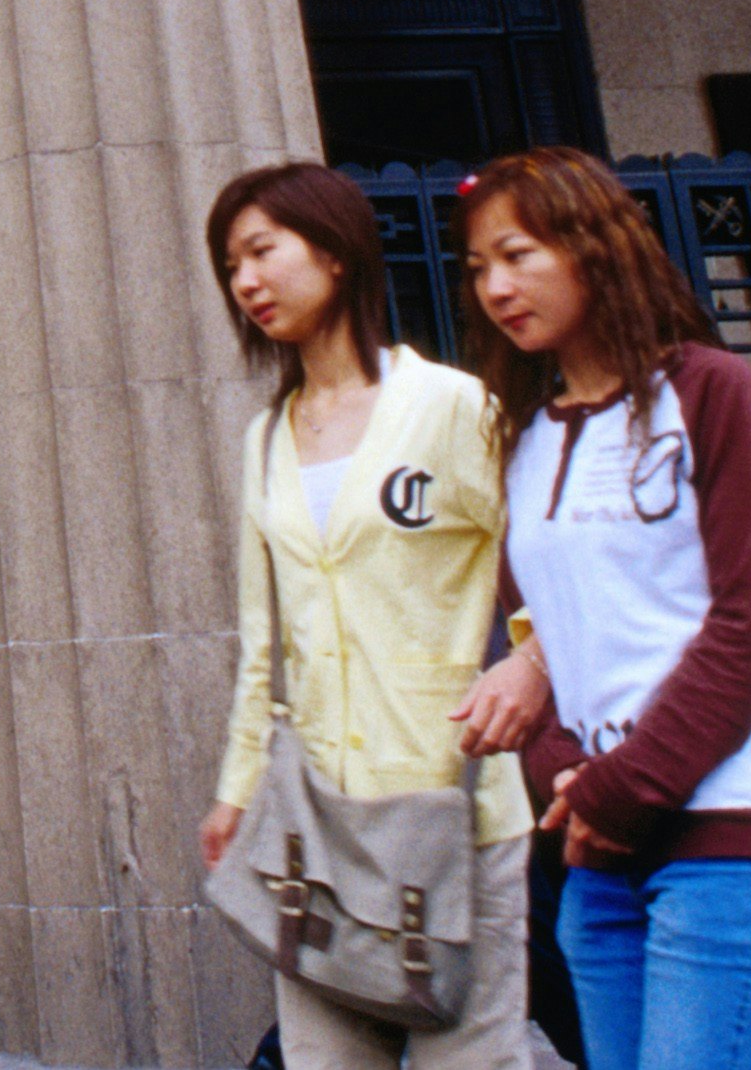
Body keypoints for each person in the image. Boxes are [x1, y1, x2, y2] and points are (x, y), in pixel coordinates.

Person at [458, 148, 751, 1070]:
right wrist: (569, 785)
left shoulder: (709, 390)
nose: (498, 287)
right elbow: (535, 645)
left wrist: (621, 789)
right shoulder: (522, 443)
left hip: (734, 831)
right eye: (478, 269)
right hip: (600, 856)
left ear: (594, 246)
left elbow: (748, 621)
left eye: (519, 254)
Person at [188, 163, 537, 1070]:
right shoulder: (266, 438)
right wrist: (237, 788)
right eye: (231, 266)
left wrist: (530, 665)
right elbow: (265, 642)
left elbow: (541, 570)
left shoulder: (452, 409)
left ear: (337, 253)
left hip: (451, 810)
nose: (246, 283)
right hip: (318, 824)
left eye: (262, 251)